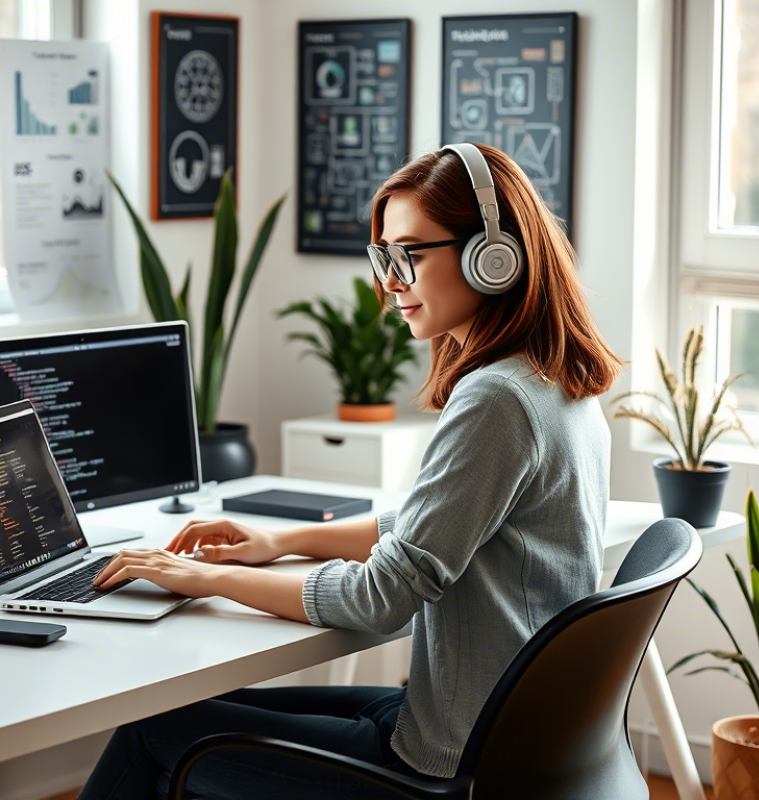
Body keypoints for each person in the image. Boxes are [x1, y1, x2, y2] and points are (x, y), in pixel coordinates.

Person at [78, 143, 624, 800]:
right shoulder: (554, 381)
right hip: (515, 738)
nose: (391, 281)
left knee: (149, 733)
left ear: (493, 255)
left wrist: (203, 578)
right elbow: (435, 526)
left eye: (411, 255)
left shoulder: (496, 400)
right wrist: (281, 541)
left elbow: (383, 596)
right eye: (385, 256)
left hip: (453, 761)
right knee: (196, 718)